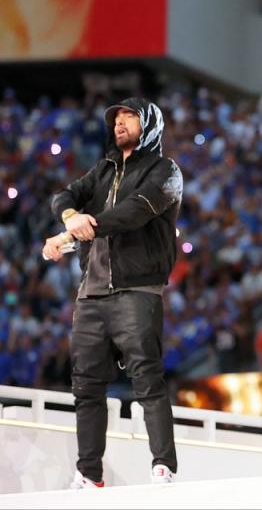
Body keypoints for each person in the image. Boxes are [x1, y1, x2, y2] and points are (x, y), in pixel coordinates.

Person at [44, 98, 182, 488]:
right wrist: (72, 217)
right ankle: (89, 474)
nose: (120, 123)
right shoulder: (102, 170)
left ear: (150, 124)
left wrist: (70, 233)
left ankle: (163, 468)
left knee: (147, 381)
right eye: (116, 119)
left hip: (137, 289)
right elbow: (63, 196)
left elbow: (133, 213)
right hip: (90, 294)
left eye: (129, 117)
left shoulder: (165, 171)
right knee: (85, 387)